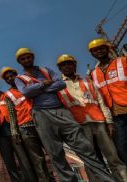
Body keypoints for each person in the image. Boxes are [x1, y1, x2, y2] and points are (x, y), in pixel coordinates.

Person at [14, 47, 114, 182]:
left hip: (61, 111)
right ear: (19, 62)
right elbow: (26, 92)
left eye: (28, 57)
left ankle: (106, 179)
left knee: (84, 148)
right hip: (41, 114)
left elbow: (61, 84)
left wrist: (37, 89)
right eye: (23, 58)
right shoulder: (19, 78)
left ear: (33, 57)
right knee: (56, 154)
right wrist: (44, 84)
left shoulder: (45, 70)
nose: (26, 60)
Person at [57, 54, 127, 182]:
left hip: (98, 122)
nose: (67, 66)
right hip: (79, 125)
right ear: (59, 68)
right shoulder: (59, 87)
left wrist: (109, 122)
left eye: (69, 63)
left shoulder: (88, 81)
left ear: (74, 65)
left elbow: (101, 102)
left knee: (112, 156)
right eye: (63, 65)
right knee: (90, 160)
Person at [0, 67, 53, 182]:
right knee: (38, 159)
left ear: (16, 75)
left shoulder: (29, 85)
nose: (10, 79)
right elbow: (12, 115)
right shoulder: (8, 95)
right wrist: (14, 132)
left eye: (11, 76)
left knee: (53, 153)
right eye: (7, 78)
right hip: (25, 128)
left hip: (41, 122)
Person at [89, 38, 127, 164]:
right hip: (114, 116)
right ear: (92, 54)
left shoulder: (122, 61)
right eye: (95, 50)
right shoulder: (94, 74)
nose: (99, 51)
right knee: (122, 150)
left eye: (101, 48)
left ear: (108, 49)